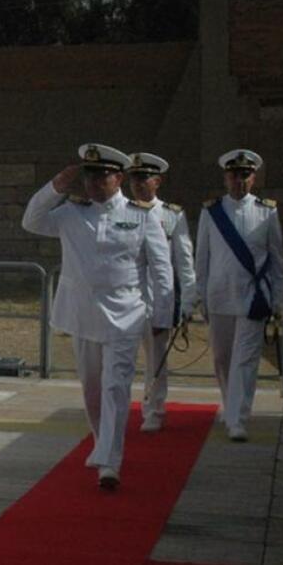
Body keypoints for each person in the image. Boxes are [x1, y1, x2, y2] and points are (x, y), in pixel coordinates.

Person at [21, 143, 172, 490]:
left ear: (118, 178)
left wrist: (162, 314)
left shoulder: (143, 215)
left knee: (116, 387)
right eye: (88, 175)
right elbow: (31, 221)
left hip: (126, 315)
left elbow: (161, 270)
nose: (92, 183)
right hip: (83, 316)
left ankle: (110, 460)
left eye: (101, 176)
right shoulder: (72, 213)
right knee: (91, 389)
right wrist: (56, 186)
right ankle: (100, 440)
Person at [195, 149, 283, 442]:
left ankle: (238, 418)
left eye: (245, 175)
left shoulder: (267, 211)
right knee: (222, 358)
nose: (239, 181)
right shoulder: (211, 212)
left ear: (254, 178)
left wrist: (278, 299)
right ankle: (230, 403)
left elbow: (276, 260)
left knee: (245, 360)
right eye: (234, 175)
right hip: (220, 295)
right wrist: (201, 297)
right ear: (226, 177)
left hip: (253, 297)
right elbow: (202, 259)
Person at [125, 152, 198, 433]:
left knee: (156, 359)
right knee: (121, 358)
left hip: (158, 299)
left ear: (157, 181)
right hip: (127, 297)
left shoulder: (171, 214)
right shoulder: (124, 210)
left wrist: (188, 301)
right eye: (134, 179)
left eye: (144, 179)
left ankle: (154, 409)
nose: (139, 185)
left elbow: (183, 260)